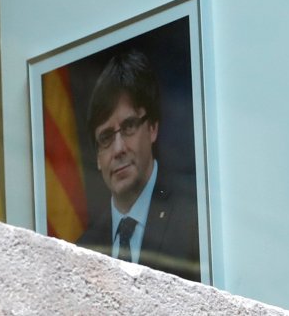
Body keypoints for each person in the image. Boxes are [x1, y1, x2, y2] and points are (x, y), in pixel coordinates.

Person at [77, 48, 200, 282]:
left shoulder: (194, 224)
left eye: (129, 126)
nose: (118, 148)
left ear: (153, 127)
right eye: (105, 138)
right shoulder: (83, 249)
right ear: (97, 158)